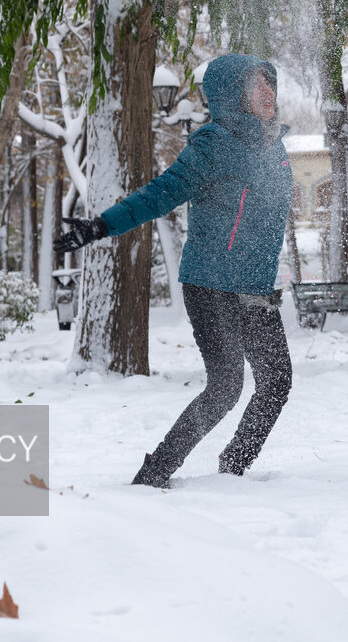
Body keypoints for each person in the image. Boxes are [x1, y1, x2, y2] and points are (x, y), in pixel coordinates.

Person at [54, 53, 294, 488]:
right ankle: (154, 474)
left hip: (255, 289)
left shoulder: (274, 147)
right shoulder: (213, 143)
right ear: (231, 95)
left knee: (276, 382)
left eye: (269, 84)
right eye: (256, 85)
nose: (267, 92)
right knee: (225, 387)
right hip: (211, 283)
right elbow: (160, 194)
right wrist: (102, 225)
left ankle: (233, 471)